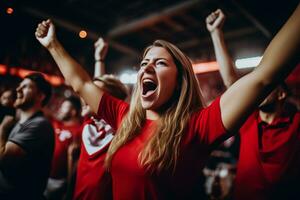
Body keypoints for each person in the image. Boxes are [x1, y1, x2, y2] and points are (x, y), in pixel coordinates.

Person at [35, 4, 300, 199]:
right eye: (144, 63)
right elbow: (81, 84)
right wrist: (53, 45)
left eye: (160, 63)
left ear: (180, 79)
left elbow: (264, 76)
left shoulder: (198, 126)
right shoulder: (124, 117)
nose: (147, 67)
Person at [206, 9, 300, 199]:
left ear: (282, 94)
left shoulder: (296, 125)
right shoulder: (250, 120)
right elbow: (231, 82)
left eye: (267, 88)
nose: (258, 91)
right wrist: (216, 33)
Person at [72, 37, 128, 200]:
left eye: (92, 96)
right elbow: (98, 86)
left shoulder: (120, 126)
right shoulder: (89, 121)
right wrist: (99, 58)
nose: (85, 97)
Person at [0, 73, 54, 200]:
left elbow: (3, 159)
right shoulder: (21, 122)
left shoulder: (39, 125)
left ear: (40, 96)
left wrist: (2, 129)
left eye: (25, 87)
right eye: (19, 86)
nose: (18, 90)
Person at [44, 95, 83, 200]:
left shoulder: (80, 130)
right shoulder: (56, 123)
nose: (60, 109)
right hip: (45, 176)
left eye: (64, 107)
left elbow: (75, 164)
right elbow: (43, 109)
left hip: (60, 181)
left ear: (73, 112)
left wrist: (69, 190)